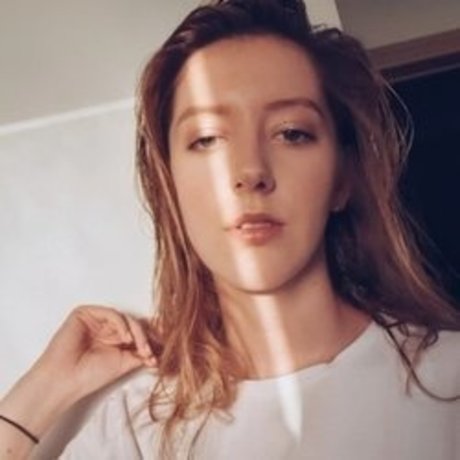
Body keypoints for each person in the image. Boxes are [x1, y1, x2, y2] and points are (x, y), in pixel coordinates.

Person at [1, 0, 459, 458]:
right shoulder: (134, 432)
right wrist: (45, 387)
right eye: (206, 139)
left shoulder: (450, 383)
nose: (249, 172)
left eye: (292, 133)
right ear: (171, 187)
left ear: (343, 178)